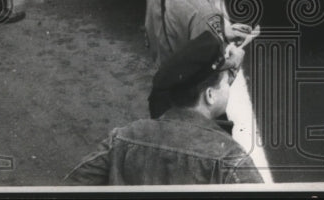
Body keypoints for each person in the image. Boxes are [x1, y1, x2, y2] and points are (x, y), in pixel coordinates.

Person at [67, 33, 263, 185]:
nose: (229, 84)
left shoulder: (123, 137)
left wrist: (224, 75)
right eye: (226, 82)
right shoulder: (230, 157)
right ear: (210, 95)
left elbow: (73, 186)